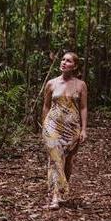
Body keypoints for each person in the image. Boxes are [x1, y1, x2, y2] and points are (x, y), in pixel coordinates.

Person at [41, 51, 88, 209]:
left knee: (67, 161)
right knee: (55, 159)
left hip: (71, 128)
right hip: (52, 126)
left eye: (68, 61)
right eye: (62, 60)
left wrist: (83, 129)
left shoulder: (81, 85)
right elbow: (46, 106)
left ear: (74, 66)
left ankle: (62, 192)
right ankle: (55, 196)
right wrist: (44, 126)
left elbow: (83, 107)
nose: (63, 62)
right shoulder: (51, 83)